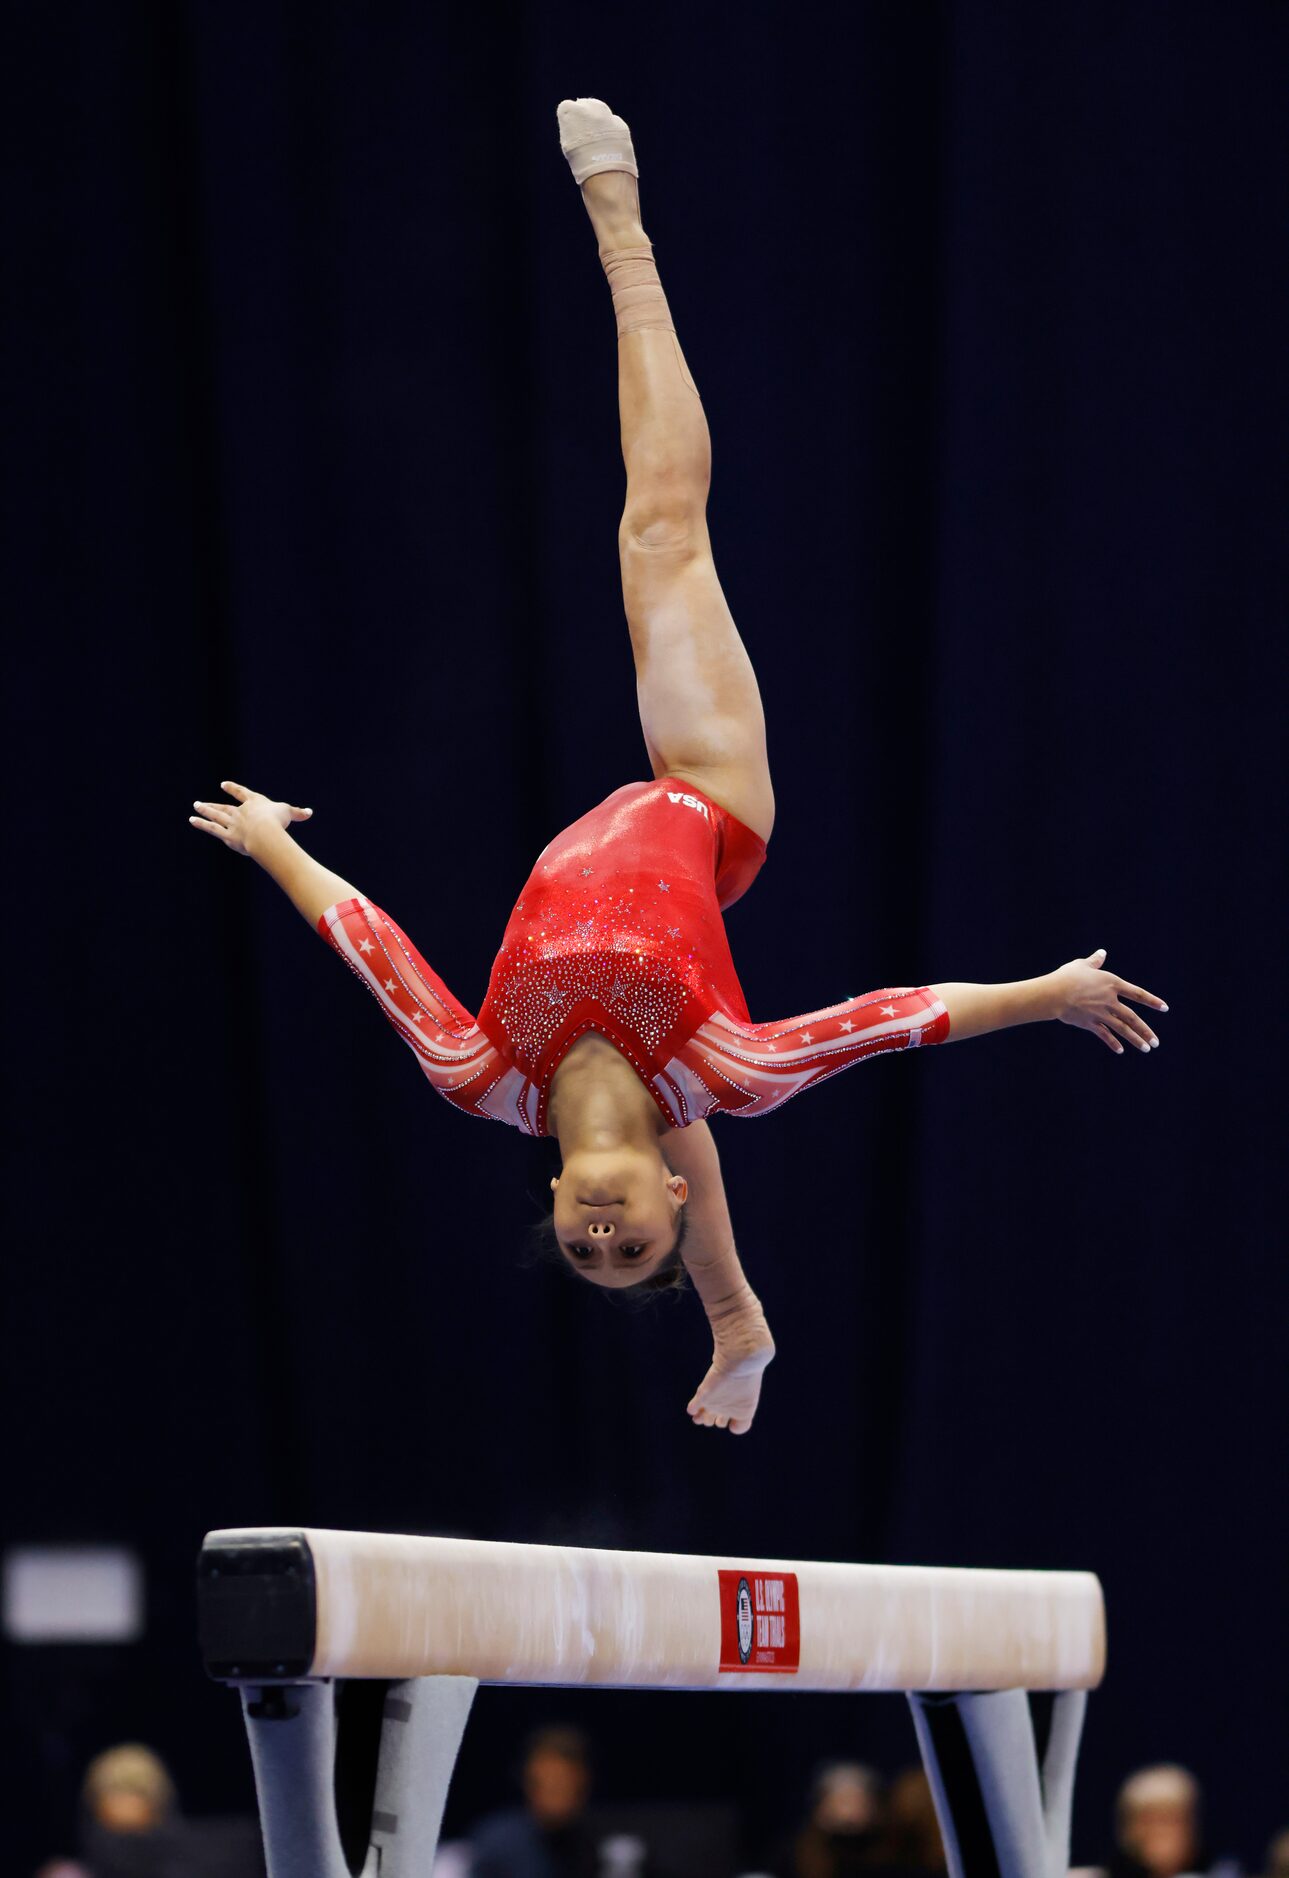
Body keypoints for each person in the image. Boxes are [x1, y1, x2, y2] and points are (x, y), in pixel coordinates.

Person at [190, 98, 1167, 1435]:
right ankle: (621, 235)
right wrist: (1049, 990)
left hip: (627, 921)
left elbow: (366, 939)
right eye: (630, 1244)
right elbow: (898, 1015)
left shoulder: (482, 1076)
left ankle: (736, 1316)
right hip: (708, 802)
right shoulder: (729, 1070)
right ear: (666, 1195)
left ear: (556, 1199)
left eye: (584, 1250)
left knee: (644, 548)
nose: (600, 1238)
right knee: (660, 531)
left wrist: (271, 844)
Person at [469, 1725, 598, 1878]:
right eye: (546, 1784)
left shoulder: (599, 1842)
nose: (555, 1795)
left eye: (563, 1785)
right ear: (528, 1784)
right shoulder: (498, 1843)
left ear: (582, 1784)